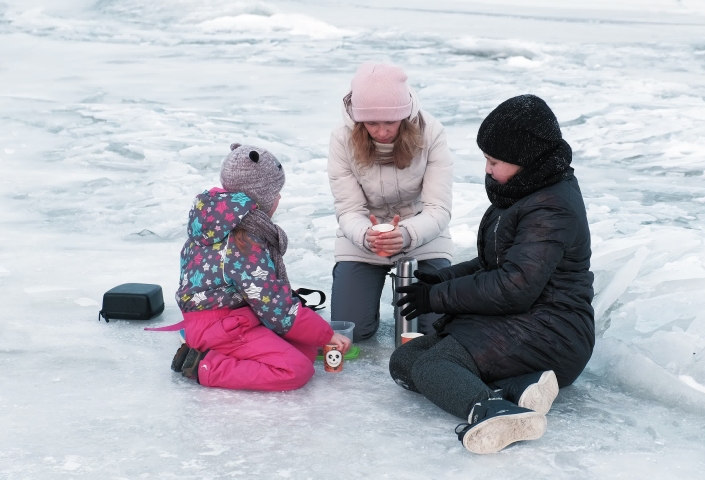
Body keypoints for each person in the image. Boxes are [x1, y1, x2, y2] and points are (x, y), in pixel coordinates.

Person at [389, 95, 595, 454]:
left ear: (526, 160)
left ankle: (492, 411)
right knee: (406, 361)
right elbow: (493, 263)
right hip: (522, 320)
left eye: (494, 161)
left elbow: (514, 285)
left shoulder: (552, 207)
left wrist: (434, 298)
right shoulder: (522, 192)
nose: (487, 169)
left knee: (433, 366)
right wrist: (440, 280)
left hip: (552, 330)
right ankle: (521, 388)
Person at [170, 143, 351, 391]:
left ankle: (210, 352)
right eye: (275, 192)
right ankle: (205, 365)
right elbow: (275, 305)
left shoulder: (216, 222)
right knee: (296, 369)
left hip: (233, 317)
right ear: (260, 197)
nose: (279, 198)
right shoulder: (243, 241)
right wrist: (326, 335)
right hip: (220, 326)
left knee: (305, 350)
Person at [327, 62, 454, 342]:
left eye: (390, 122)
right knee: (352, 331)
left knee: (434, 332)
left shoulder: (431, 132)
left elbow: (438, 208)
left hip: (421, 231)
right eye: (371, 123)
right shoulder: (342, 138)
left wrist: (406, 235)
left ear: (405, 116)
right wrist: (366, 235)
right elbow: (349, 209)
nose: (382, 132)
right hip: (364, 234)